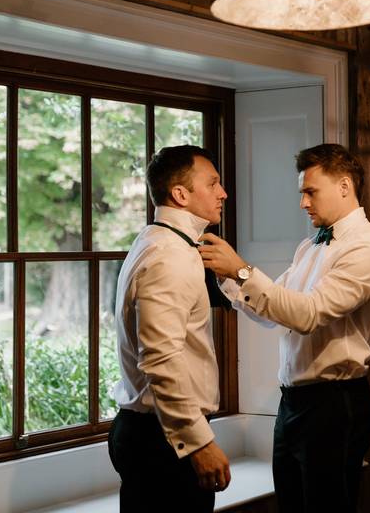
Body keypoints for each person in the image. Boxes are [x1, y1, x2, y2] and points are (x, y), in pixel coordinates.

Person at [199, 143, 370, 513]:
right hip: (293, 403)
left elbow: (307, 315)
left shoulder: (367, 248)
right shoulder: (310, 246)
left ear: (344, 186)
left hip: (335, 403)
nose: (303, 203)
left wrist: (242, 270)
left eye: (310, 192)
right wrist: (227, 281)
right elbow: (275, 310)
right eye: (302, 193)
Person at [108, 145, 232, 512]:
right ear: (180, 194)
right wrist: (198, 443)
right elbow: (161, 358)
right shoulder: (169, 257)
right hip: (162, 441)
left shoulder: (160, 242)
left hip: (156, 433)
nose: (223, 192)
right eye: (213, 183)